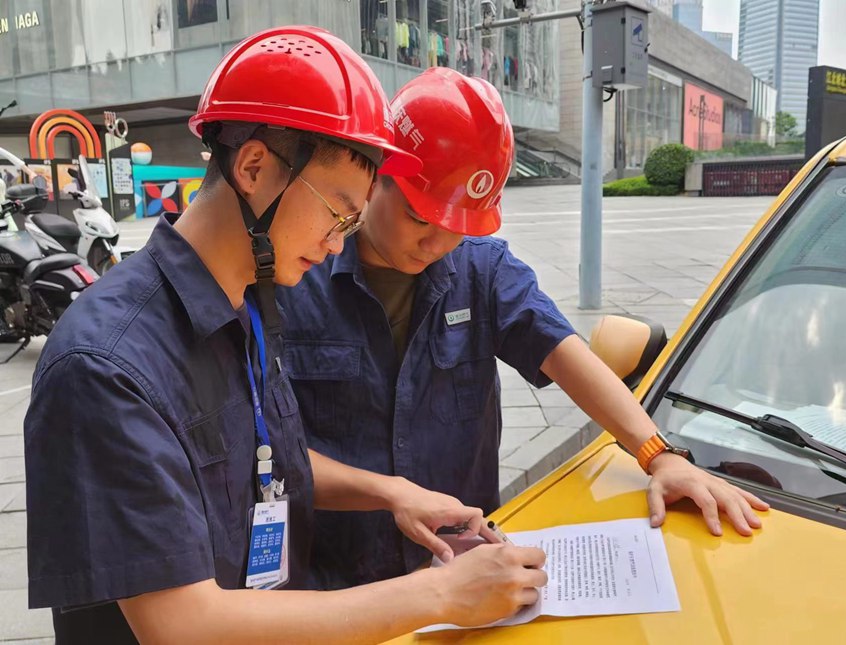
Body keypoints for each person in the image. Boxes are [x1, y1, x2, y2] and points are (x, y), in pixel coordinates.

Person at [24, 28, 546, 644]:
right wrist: (439, 594)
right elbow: (182, 625)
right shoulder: (105, 366)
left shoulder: (249, 303)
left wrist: (392, 493)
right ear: (253, 167)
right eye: (338, 212)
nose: (338, 243)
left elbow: (270, 464)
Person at [277, 67, 770, 590]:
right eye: (421, 219)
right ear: (375, 177)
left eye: (460, 225)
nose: (438, 244)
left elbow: (563, 351)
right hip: (335, 585)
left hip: (467, 574)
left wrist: (658, 455)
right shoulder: (296, 275)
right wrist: (389, 492)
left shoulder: (481, 269)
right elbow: (269, 450)